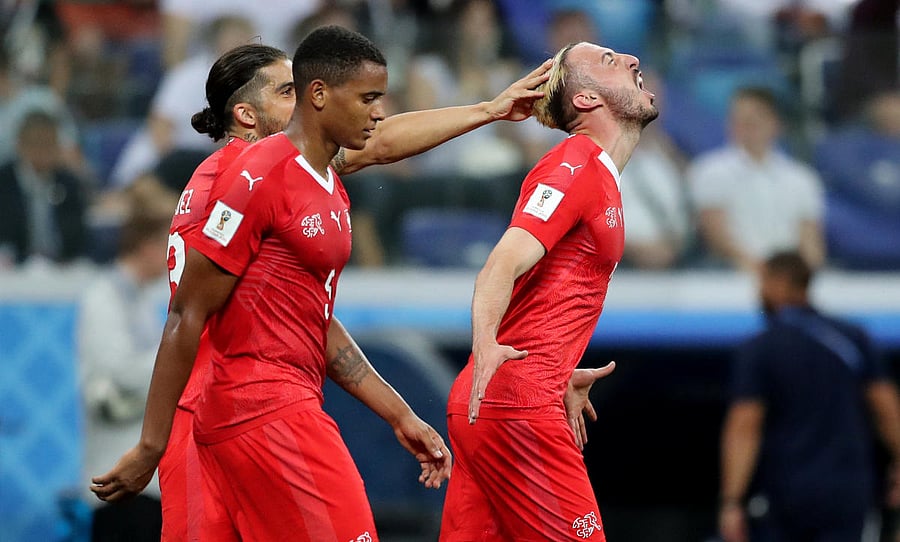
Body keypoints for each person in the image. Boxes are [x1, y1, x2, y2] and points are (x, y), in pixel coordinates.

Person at [91, 27, 553, 541]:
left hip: (222, 410)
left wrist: (488, 110)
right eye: (288, 90)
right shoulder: (246, 178)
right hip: (233, 405)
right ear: (247, 116)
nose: (306, 98)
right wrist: (150, 445)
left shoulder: (280, 174)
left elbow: (376, 147)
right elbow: (187, 313)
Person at [439, 40, 659, 541]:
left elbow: (544, 293)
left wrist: (558, 369)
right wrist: (488, 344)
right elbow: (500, 264)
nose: (631, 60)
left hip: (503, 400)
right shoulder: (575, 165)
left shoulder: (598, 176)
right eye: (608, 60)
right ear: (585, 100)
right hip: (517, 404)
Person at [719, 251, 900, 542]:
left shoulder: (760, 348)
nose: (758, 291)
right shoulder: (853, 337)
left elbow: (744, 427)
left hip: (784, 495)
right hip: (848, 492)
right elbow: (886, 409)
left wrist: (732, 501)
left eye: (762, 281)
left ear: (780, 282)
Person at [77, 183, 176, 541]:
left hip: (146, 486)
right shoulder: (102, 299)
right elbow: (118, 373)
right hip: (118, 482)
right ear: (149, 246)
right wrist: (180, 355)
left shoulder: (139, 302)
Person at [687, 86, 826, 274]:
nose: (746, 127)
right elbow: (716, 235)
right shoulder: (709, 171)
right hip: (732, 274)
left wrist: (803, 273)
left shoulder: (801, 178)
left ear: (775, 123)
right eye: (739, 120)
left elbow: (810, 238)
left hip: (788, 277)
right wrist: (760, 269)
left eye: (754, 121)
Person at [0, 109, 90, 267]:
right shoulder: (5, 181)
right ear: (20, 144)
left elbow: (79, 236)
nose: (44, 151)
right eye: (37, 143)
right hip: (12, 266)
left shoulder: (68, 183)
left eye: (50, 143)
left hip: (61, 266)